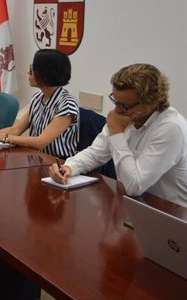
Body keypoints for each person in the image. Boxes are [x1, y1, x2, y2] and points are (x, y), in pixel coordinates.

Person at [49, 63, 187, 207]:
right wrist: (69, 167)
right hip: (137, 206)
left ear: (151, 102)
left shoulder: (171, 128)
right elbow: (95, 153)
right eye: (116, 101)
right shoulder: (127, 114)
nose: (117, 109)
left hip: (173, 214)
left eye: (124, 105)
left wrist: (116, 132)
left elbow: (134, 186)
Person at [0, 49, 79, 158]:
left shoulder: (67, 105)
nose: (29, 72)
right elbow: (16, 129)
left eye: (33, 69)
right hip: (36, 159)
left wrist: (0, 137)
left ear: (46, 73)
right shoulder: (38, 98)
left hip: (58, 165)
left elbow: (40, 142)